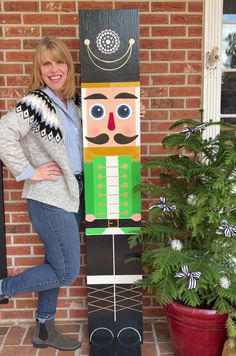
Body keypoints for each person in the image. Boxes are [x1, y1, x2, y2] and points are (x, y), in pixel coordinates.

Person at [0, 36, 146, 351]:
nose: (54, 69)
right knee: (65, 272)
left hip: (78, 193)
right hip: (49, 196)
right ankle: (4, 287)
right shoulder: (35, 103)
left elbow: (106, 125)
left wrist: (131, 114)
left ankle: (44, 329)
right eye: (46, 63)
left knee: (55, 262)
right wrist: (28, 172)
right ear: (39, 69)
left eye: (59, 62)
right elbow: (4, 133)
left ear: (68, 65)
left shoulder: (79, 101)